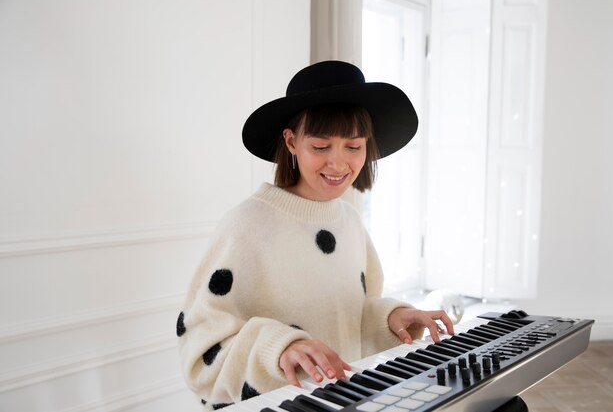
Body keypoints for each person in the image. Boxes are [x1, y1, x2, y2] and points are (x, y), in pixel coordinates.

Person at [176, 60, 455, 410]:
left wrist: (390, 319)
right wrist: (280, 348)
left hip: (339, 401)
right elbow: (199, 347)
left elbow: (348, 318)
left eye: (353, 147)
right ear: (292, 142)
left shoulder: (350, 222)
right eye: (321, 147)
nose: (338, 164)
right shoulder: (247, 225)